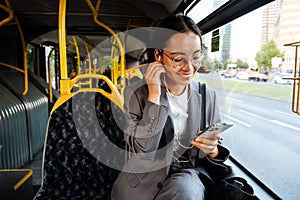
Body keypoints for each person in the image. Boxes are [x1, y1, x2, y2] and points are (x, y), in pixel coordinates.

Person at [111, 14, 230, 200]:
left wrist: (213, 150)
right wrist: (154, 96)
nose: (189, 68)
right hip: (143, 179)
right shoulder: (135, 92)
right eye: (178, 59)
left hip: (187, 174)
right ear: (158, 55)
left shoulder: (208, 96)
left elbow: (216, 147)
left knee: (186, 191)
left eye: (196, 57)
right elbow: (143, 152)